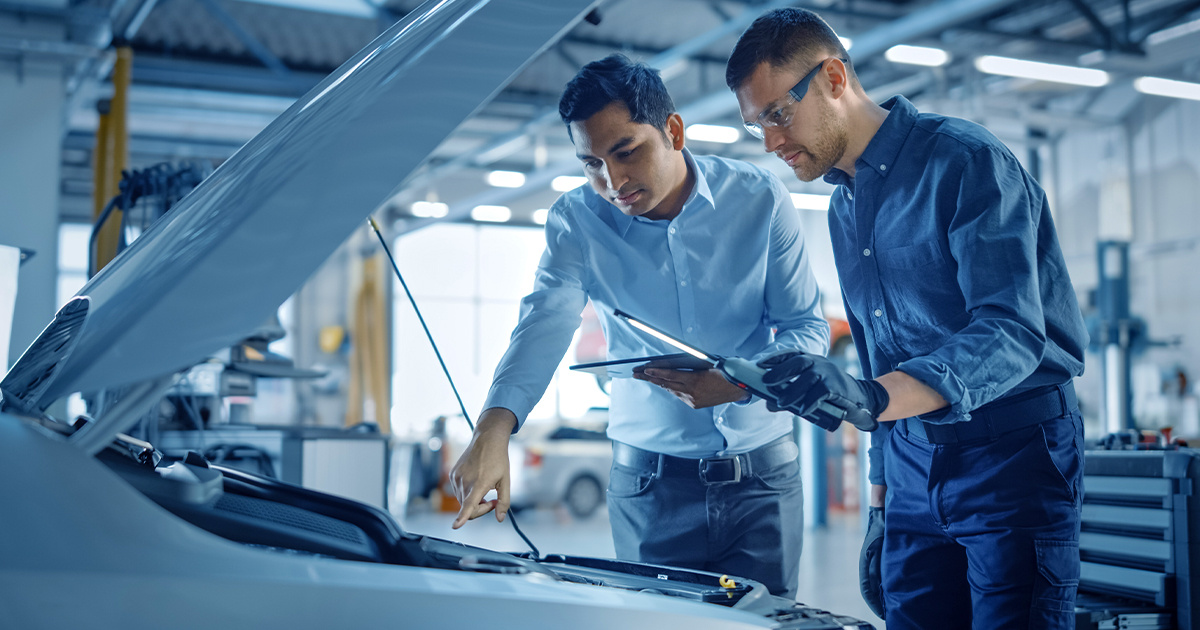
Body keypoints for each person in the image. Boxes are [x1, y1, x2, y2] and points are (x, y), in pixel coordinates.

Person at [725, 8, 1088, 629]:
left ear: (835, 77)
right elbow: (876, 350)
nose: (771, 142)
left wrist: (868, 397)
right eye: (756, 125)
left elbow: (1009, 332)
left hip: (1013, 457)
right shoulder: (844, 205)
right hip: (912, 463)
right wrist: (881, 491)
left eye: (778, 114)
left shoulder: (967, 163)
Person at [448, 53, 829, 598]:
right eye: (591, 164)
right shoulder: (576, 220)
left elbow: (806, 330)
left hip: (763, 481)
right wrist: (494, 427)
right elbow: (545, 321)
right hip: (650, 488)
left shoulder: (760, 200)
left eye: (626, 152)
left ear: (673, 130)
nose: (612, 180)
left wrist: (740, 382)